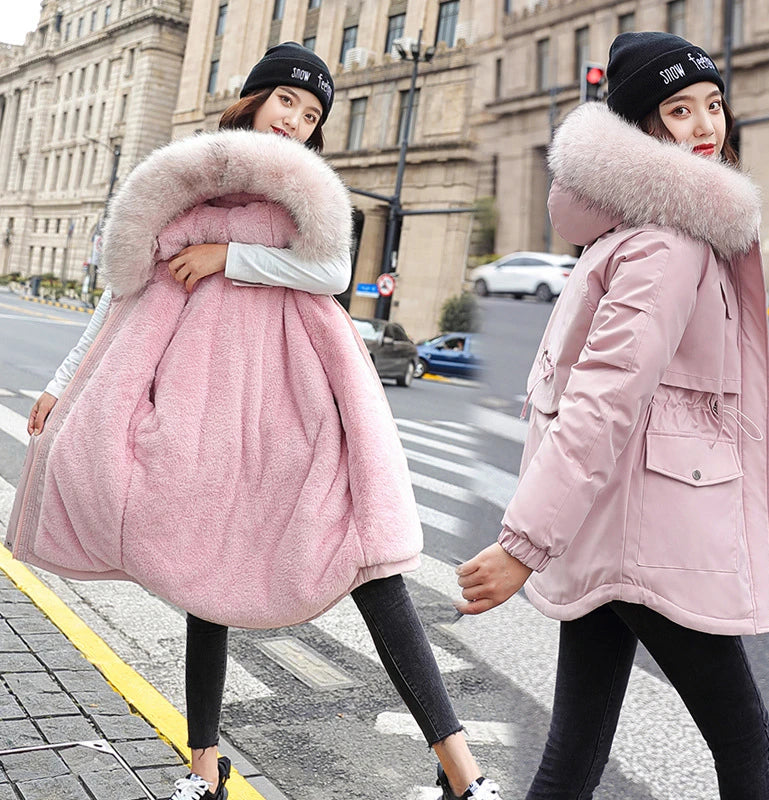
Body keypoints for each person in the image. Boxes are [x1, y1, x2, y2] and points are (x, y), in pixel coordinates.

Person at [18, 43, 502, 800]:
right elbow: (125, 292)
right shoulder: (187, 183)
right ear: (253, 100)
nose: (297, 123)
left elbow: (331, 274)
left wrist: (227, 255)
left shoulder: (303, 192)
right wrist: (58, 383)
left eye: (312, 116)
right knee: (201, 574)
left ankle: (462, 775)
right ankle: (204, 771)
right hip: (200, 405)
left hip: (296, 409)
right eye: (287, 102)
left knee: (371, 563)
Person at [455, 31, 769, 799]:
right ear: (641, 129)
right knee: (743, 743)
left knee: (572, 754)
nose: (707, 126)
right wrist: (523, 545)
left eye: (713, 104)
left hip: (614, 519)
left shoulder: (628, 232)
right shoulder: (669, 242)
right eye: (678, 110)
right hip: (651, 529)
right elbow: (603, 400)